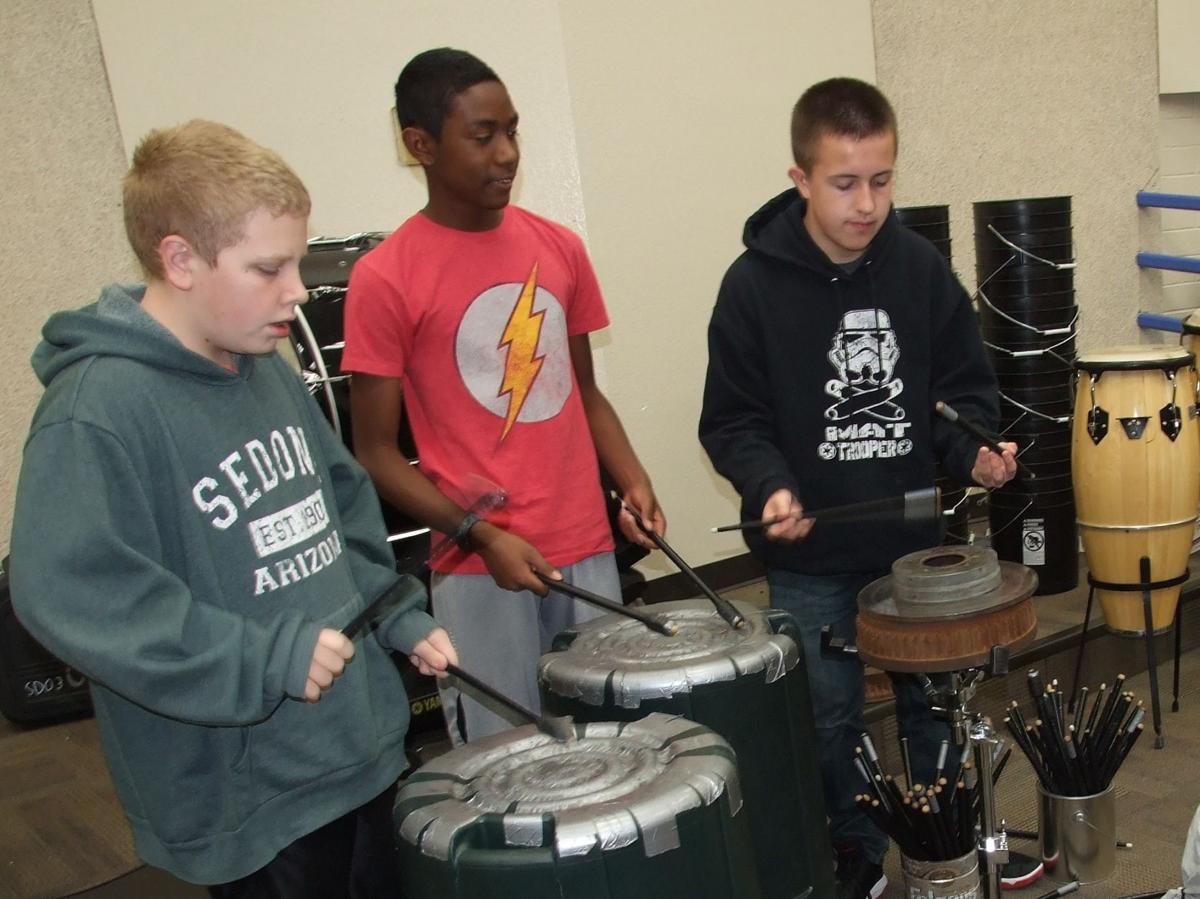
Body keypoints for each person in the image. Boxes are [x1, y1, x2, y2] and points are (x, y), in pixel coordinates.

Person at [9, 120, 456, 897]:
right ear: (179, 258)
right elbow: (76, 593)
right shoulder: (95, 412)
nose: (297, 289)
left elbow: (337, 509)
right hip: (250, 793)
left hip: (354, 744)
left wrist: (394, 611)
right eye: (268, 267)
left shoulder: (262, 361)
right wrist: (258, 657)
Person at [698, 78, 1017, 899]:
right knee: (828, 719)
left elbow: (960, 399)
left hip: (914, 554)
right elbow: (732, 421)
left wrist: (974, 452)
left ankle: (941, 848)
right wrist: (769, 486)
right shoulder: (751, 286)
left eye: (882, 179)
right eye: (845, 182)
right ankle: (854, 855)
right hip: (810, 559)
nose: (867, 202)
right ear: (800, 178)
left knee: (934, 709)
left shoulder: (919, 272)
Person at [342, 47, 665, 744]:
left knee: (612, 745)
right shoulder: (385, 277)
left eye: (513, 130)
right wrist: (478, 532)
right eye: (482, 135)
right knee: (510, 758)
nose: (507, 153)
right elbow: (373, 452)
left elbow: (582, 392)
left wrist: (632, 479)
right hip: (477, 562)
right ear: (419, 145)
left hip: (582, 544)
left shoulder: (561, 248)